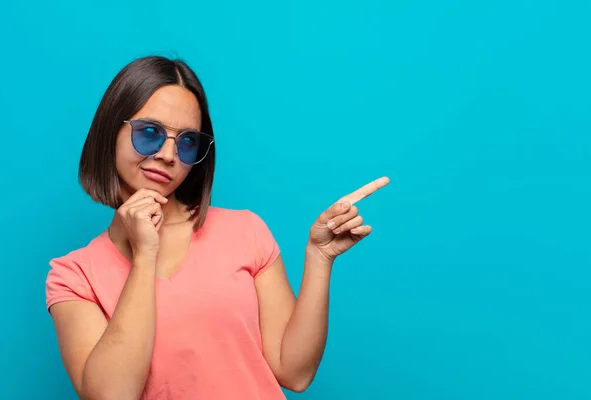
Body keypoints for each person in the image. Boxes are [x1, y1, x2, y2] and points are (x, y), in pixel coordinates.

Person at [45, 55, 389, 400]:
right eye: (150, 133)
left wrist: (319, 257)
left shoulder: (244, 232)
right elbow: (111, 396)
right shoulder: (74, 276)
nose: (168, 154)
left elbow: (295, 373)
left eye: (186, 142)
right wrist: (144, 255)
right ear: (110, 131)